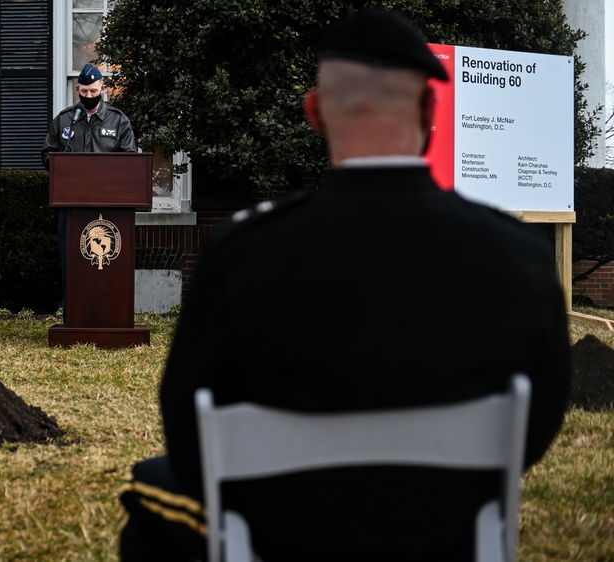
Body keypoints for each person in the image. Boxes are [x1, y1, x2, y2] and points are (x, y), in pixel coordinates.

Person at [118, 9, 571, 562]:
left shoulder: (241, 252)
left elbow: (188, 428)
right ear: (430, 110)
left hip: (281, 534)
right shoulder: (518, 253)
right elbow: (539, 420)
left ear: (314, 114)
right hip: (444, 529)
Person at [41, 63, 137, 317]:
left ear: (103, 89)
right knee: (73, 261)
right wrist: (65, 166)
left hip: (110, 208)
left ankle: (110, 314)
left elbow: (130, 161)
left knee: (109, 263)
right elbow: (47, 154)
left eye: (94, 91)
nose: (89, 97)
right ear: (77, 89)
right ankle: (74, 315)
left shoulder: (118, 121)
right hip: (72, 207)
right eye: (84, 91)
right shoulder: (64, 120)